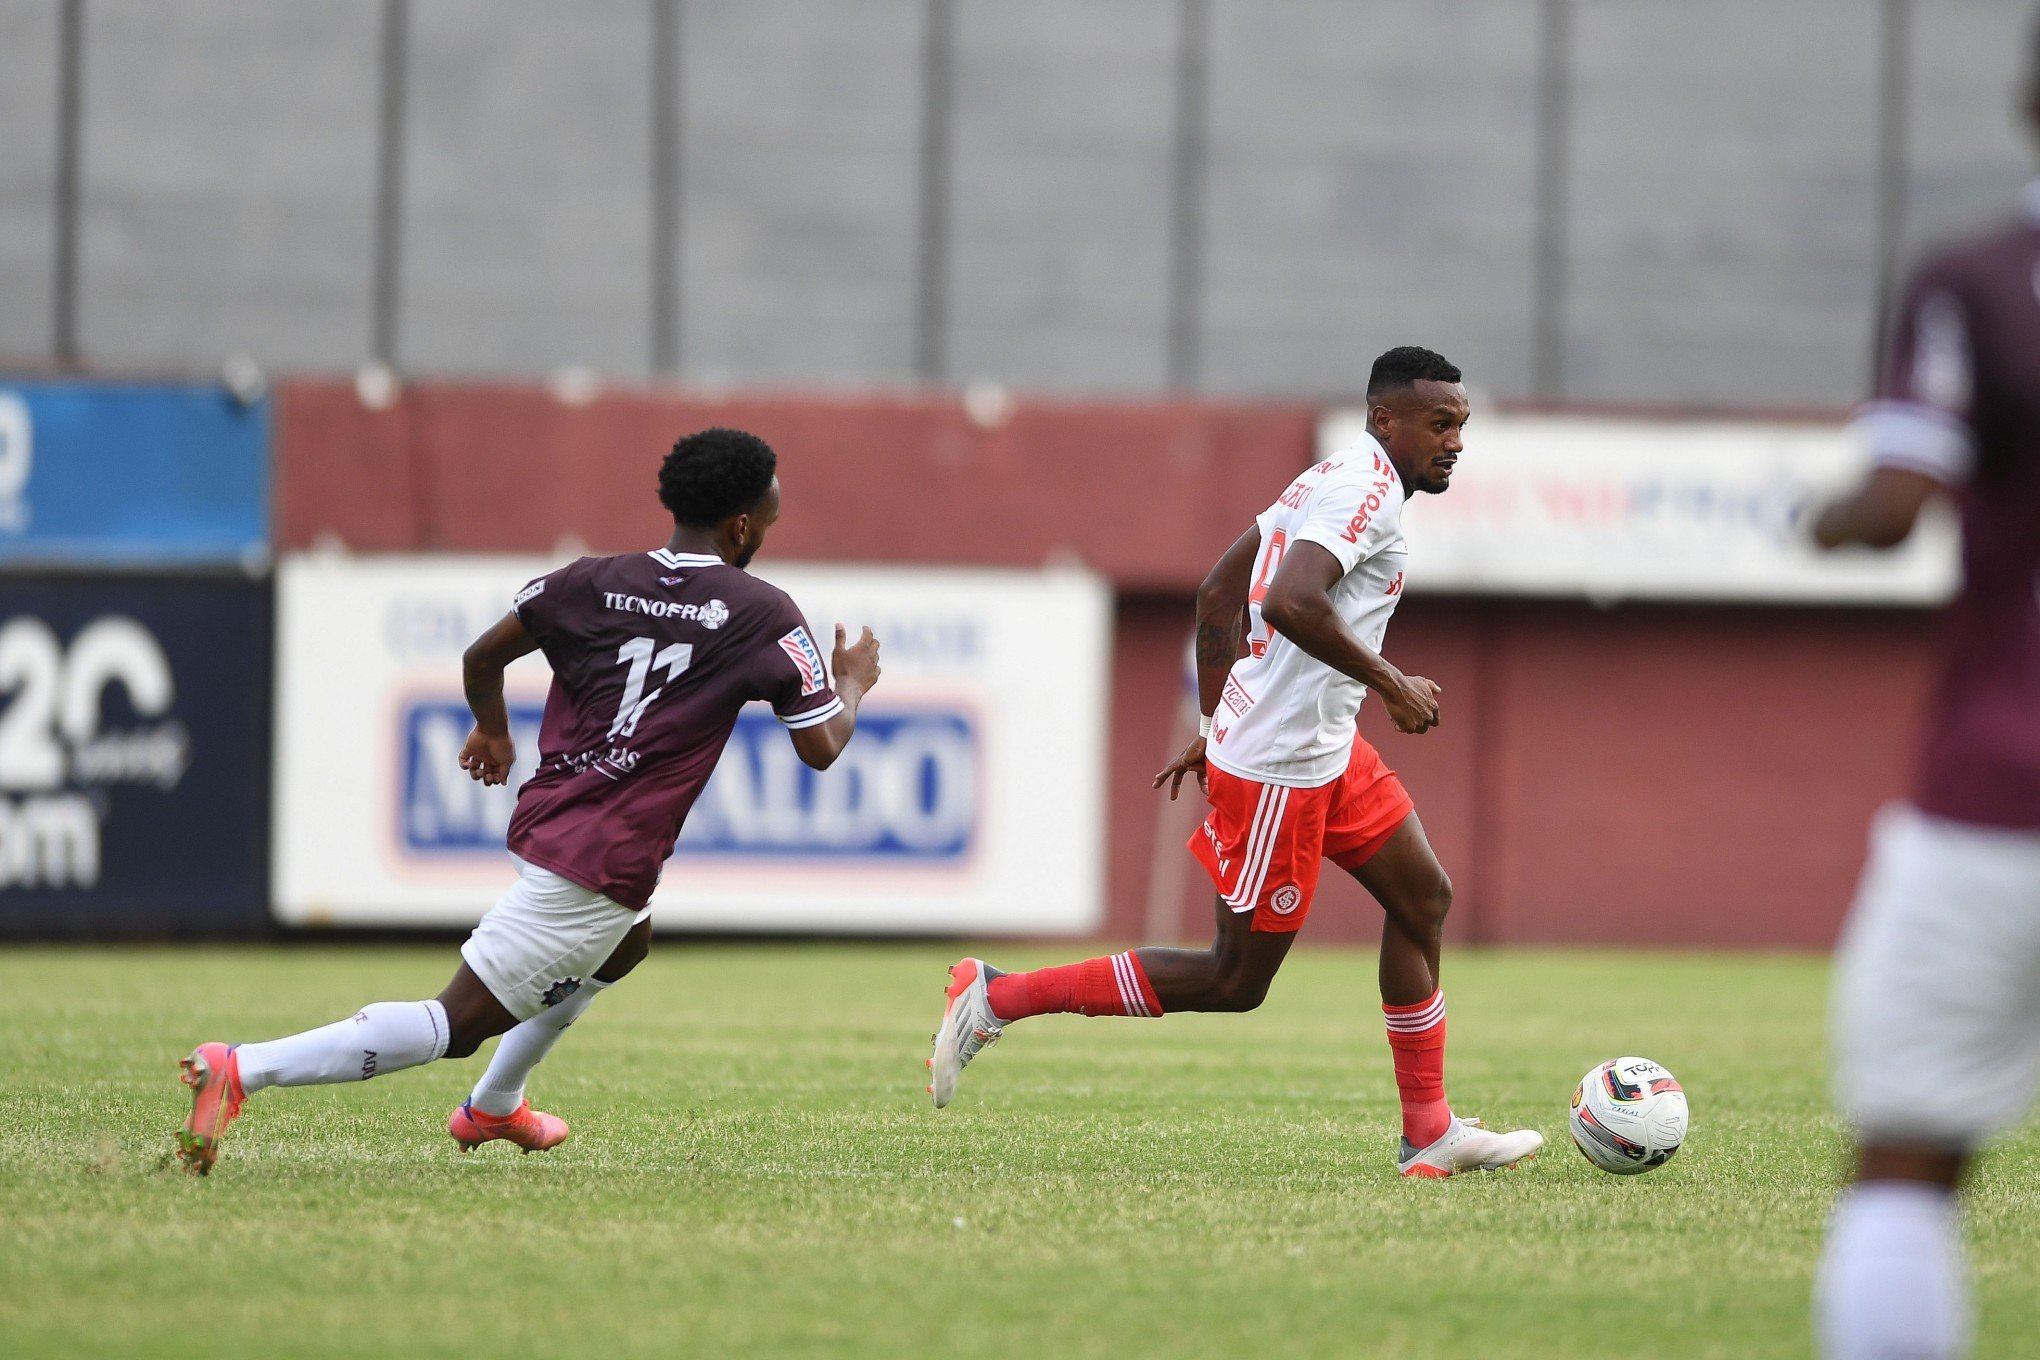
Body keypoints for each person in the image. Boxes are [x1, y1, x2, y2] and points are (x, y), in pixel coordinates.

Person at [175, 427, 882, 1174]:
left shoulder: (587, 580)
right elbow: (823, 746)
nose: (764, 535)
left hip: (554, 816)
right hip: (603, 857)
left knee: (627, 942)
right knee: (455, 1023)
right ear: (743, 525)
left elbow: (482, 657)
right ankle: (243, 1068)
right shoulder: (764, 614)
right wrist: (853, 682)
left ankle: (497, 1106)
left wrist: (492, 730)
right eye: (767, 523)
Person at [928, 346, 1543, 1178]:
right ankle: (997, 995)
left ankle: (1428, 1133)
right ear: (1385, 420)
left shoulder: (1332, 476)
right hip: (1284, 770)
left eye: (1462, 425)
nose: (1456, 441)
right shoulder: (1365, 493)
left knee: (1423, 896)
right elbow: (1289, 600)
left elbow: (1219, 589)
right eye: (1440, 424)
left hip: (1324, 749)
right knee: (1232, 979)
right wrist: (1390, 683)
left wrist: (1224, 718)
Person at [1809, 20, 2040, 1356]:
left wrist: (1825, 519)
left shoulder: (1976, 280)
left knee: (1907, 1166)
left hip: (1996, 798)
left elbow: (1895, 506)